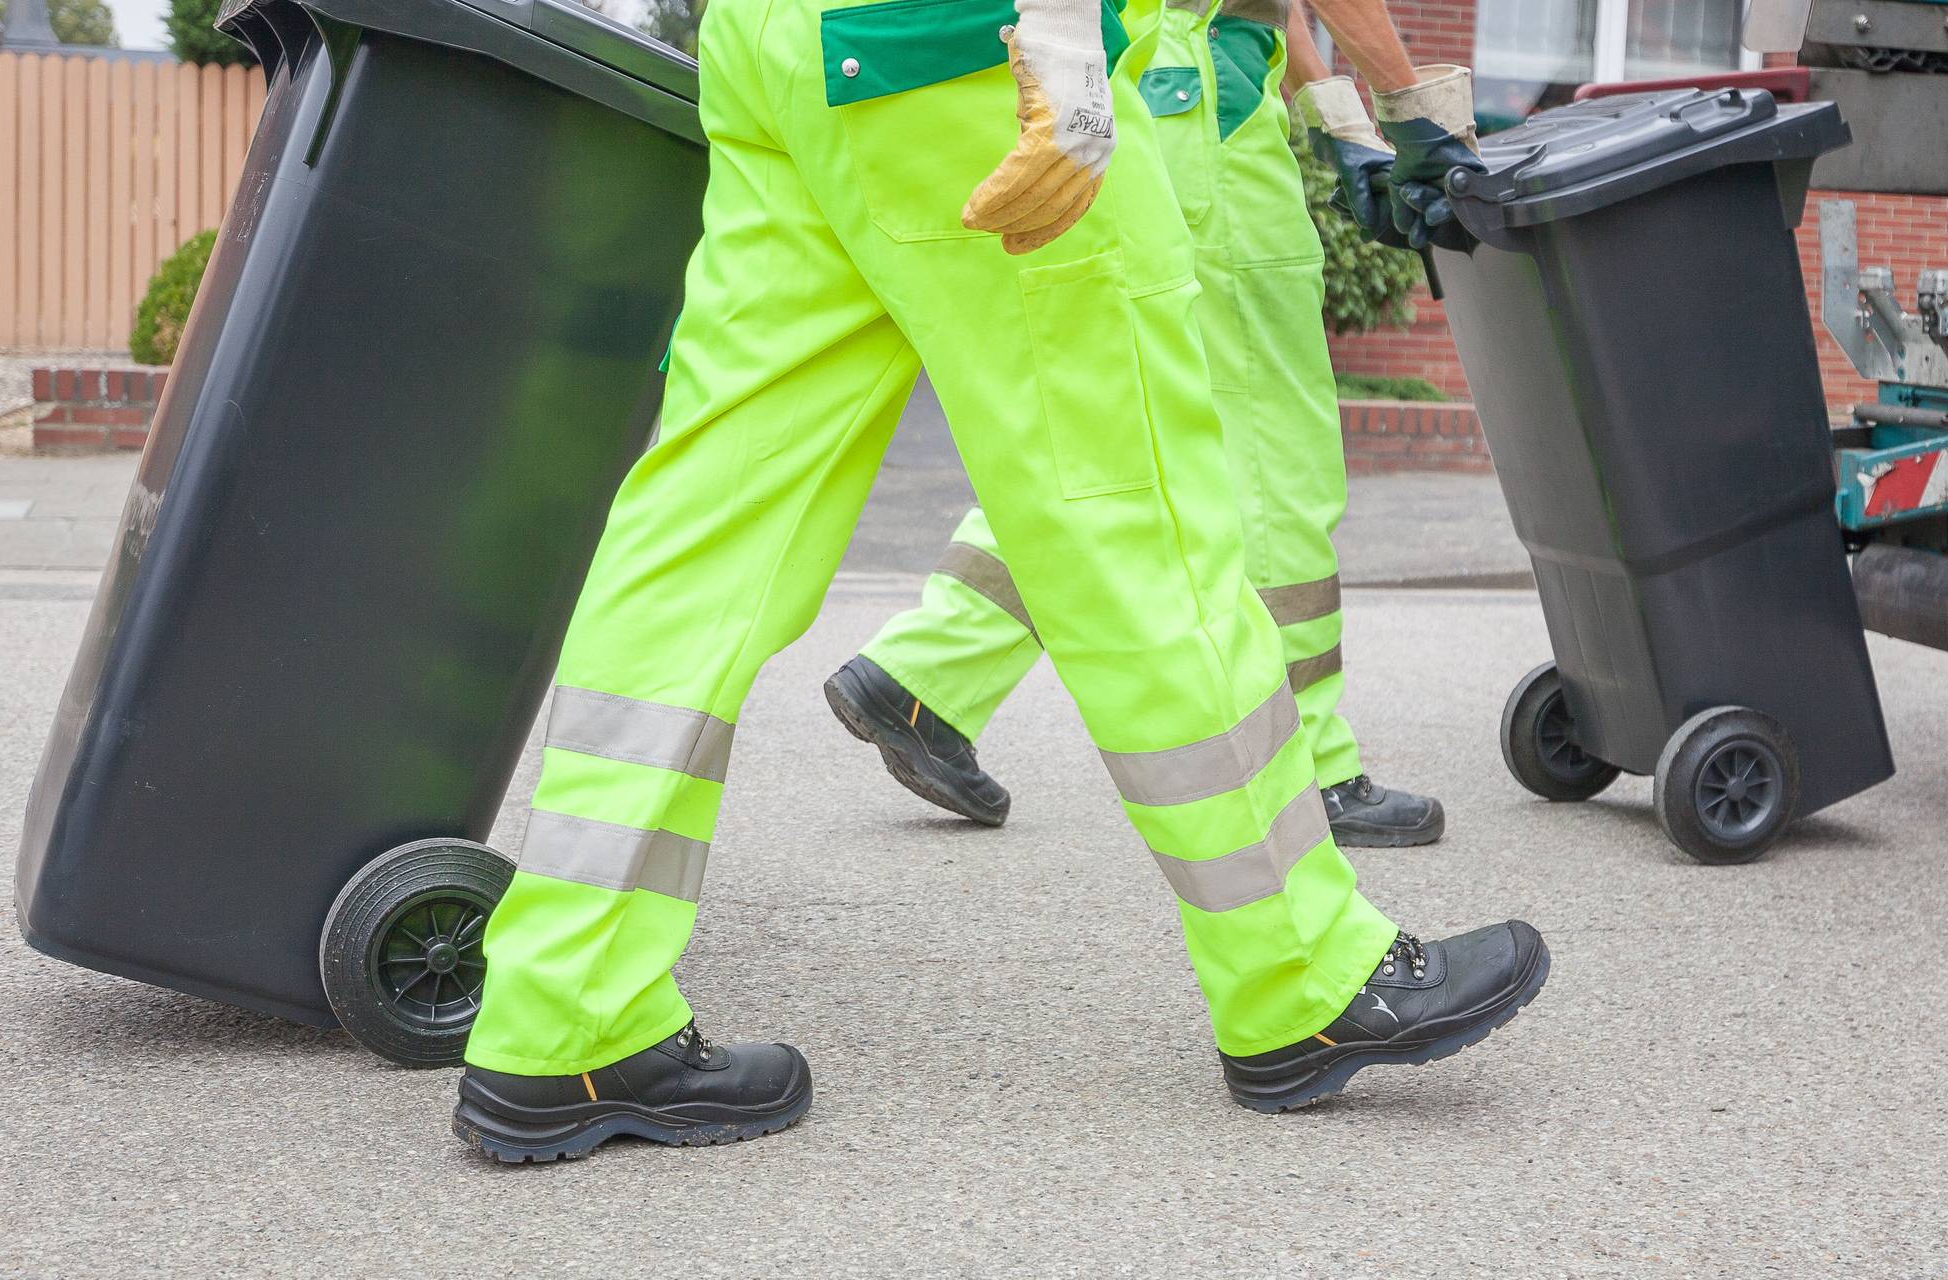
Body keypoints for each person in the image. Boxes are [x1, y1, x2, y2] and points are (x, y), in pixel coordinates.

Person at [449, 0, 1540, 1162]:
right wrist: (1064, 48)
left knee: (704, 525)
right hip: (969, 53)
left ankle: (563, 1004)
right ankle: (1303, 973)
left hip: (780, 49)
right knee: (1136, 516)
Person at [824, 0, 1477, 850]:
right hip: (1211, 118)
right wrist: (1415, 112)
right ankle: (1308, 765)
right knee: (1276, 457)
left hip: (1152, 89)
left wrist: (1337, 116)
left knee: (1117, 439)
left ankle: (923, 675)